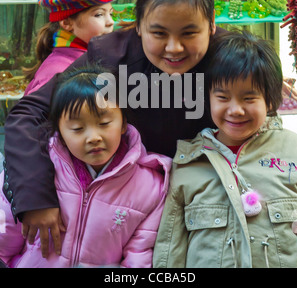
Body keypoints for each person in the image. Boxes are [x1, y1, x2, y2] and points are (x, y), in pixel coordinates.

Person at [3, 0, 226, 257]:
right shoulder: (111, 58)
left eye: (189, 33)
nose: (174, 48)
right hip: (121, 216)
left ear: (212, 26)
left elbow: (264, 137)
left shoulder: (230, 61)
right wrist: (35, 197)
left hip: (209, 212)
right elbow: (29, 114)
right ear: (138, 26)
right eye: (158, 33)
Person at [153, 30, 297, 268]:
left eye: (249, 98)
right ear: (207, 98)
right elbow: (171, 247)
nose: (235, 110)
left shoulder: (295, 151)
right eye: (222, 97)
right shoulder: (186, 163)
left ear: (270, 100)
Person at [0, 65, 171, 267]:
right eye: (77, 128)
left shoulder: (152, 188)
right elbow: (5, 236)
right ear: (60, 131)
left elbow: (139, 256)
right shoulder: (36, 173)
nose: (93, 137)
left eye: (104, 123)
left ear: (123, 123)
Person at [23, 0, 120, 95]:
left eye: (110, 13)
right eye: (99, 14)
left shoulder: (90, 58)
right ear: (67, 23)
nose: (110, 22)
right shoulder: (58, 72)